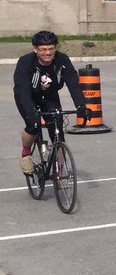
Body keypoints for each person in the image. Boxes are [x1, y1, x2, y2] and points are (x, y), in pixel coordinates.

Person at [14, 30, 89, 174]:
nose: (47, 53)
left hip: (50, 96)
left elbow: (73, 83)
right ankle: (26, 153)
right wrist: (31, 112)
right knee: (34, 126)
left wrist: (81, 106)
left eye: (51, 49)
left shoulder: (62, 60)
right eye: (43, 49)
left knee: (58, 134)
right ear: (35, 49)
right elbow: (22, 90)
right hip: (28, 97)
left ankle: (60, 174)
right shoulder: (25, 62)